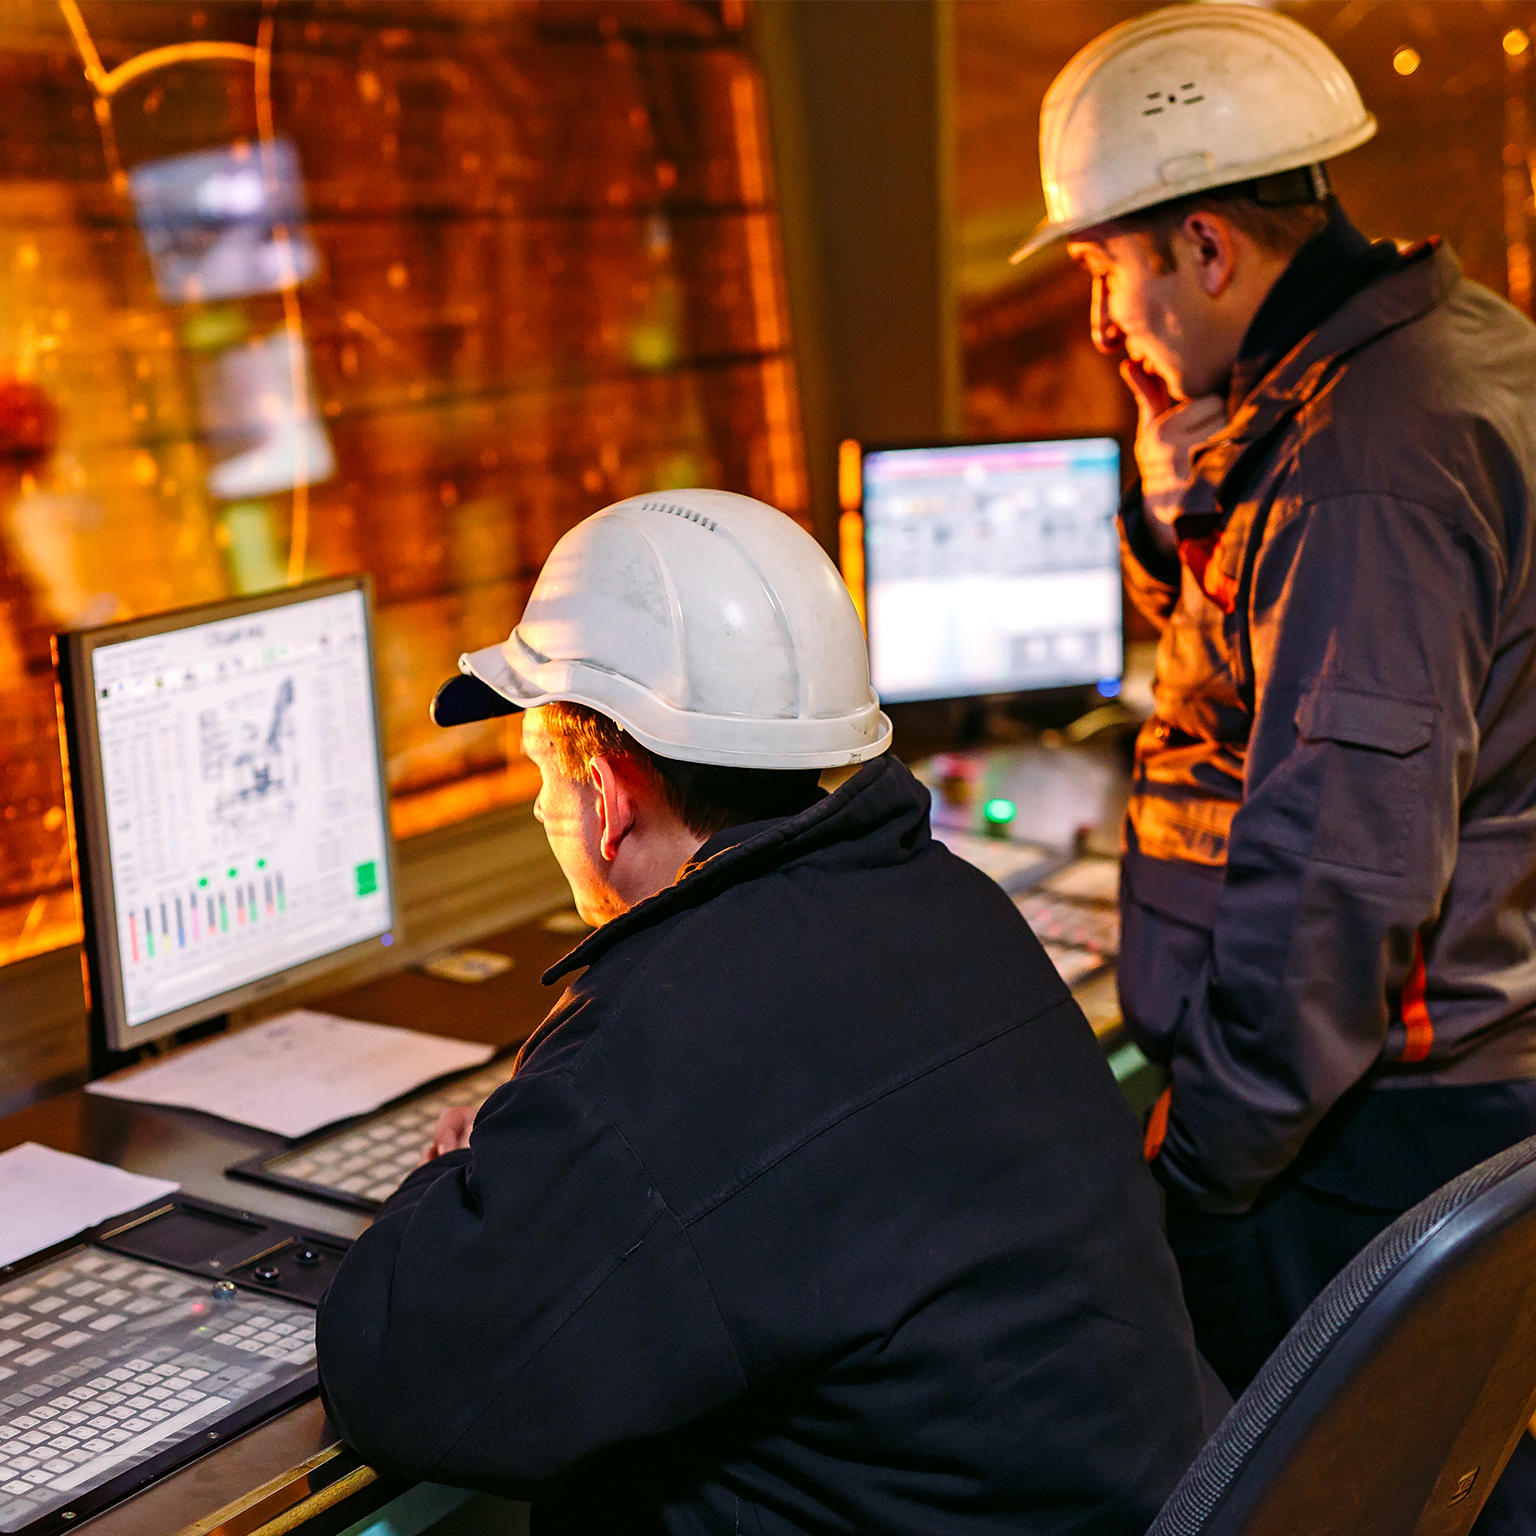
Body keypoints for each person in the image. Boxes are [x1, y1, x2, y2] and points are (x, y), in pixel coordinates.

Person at [316, 489, 1224, 1534]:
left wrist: (459, 1178)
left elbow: (407, 1372)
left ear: (607, 795)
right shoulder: (948, 903)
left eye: (539, 771)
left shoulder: (674, 1033)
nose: (535, 807)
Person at [1012, 5, 1536, 1527]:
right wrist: (1191, 454)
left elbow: (1339, 873)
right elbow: (1255, 683)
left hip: (1358, 1126)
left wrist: (1202, 1165)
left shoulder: (1365, 464)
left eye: (1110, 268)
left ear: (1207, 250)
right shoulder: (1425, 358)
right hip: (1420, 1084)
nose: (1104, 321)